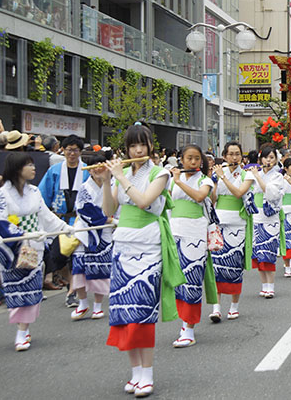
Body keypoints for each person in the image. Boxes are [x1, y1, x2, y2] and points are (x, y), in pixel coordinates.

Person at [101, 123, 184, 397]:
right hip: (123, 246)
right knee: (124, 313)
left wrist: (120, 178)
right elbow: (109, 210)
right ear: (126, 148)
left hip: (148, 247)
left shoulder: (160, 174)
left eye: (142, 144)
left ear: (150, 146)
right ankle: (135, 372)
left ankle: (147, 373)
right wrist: (105, 180)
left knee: (142, 312)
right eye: (132, 145)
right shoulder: (121, 172)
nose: (137, 150)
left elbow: (143, 201)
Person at [0, 152, 72, 351]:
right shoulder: (3, 194)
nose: (34, 168)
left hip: (34, 248)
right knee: (16, 290)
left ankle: (22, 330)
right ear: (16, 169)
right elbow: (2, 222)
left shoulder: (34, 192)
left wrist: (63, 227)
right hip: (12, 248)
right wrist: (25, 235)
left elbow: (46, 215)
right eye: (28, 165)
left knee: (31, 289)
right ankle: (21, 327)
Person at [169, 144, 215, 348]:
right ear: (181, 160)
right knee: (177, 279)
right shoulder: (171, 180)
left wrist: (178, 181)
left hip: (195, 233)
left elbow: (199, 197)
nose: (193, 162)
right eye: (189, 158)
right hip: (174, 231)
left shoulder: (205, 180)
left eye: (197, 158)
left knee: (192, 278)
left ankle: (189, 327)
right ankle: (183, 323)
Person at [37, 134, 87, 305]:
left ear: (80, 152)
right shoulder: (55, 171)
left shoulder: (86, 170)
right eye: (68, 150)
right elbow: (43, 195)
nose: (72, 154)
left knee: (77, 258)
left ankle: (73, 291)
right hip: (60, 221)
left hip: (80, 221)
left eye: (75, 150)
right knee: (57, 257)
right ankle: (71, 284)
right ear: (63, 150)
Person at [210, 142, 254, 319]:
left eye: (237, 154)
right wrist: (214, 181)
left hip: (237, 224)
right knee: (216, 266)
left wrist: (224, 178)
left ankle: (234, 305)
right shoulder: (217, 174)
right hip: (219, 222)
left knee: (234, 265)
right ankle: (216, 307)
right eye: (231, 154)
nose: (234, 157)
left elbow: (238, 193)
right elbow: (213, 198)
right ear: (225, 156)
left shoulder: (247, 174)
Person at [69, 149, 114, 321]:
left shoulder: (111, 184)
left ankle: (97, 306)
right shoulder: (84, 188)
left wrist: (111, 220)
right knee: (79, 269)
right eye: (94, 167)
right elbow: (84, 208)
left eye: (101, 167)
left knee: (100, 271)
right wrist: (105, 219)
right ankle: (82, 303)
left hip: (104, 234)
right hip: (86, 233)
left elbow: (116, 205)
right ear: (89, 169)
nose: (97, 170)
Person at [249, 145, 282, 296]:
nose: (268, 160)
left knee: (269, 253)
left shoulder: (278, 176)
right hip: (256, 217)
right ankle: (263, 285)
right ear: (260, 159)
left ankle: (271, 286)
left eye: (271, 158)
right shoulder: (255, 174)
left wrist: (257, 177)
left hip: (270, 218)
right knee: (258, 255)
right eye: (266, 157)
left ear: (275, 160)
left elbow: (271, 193)